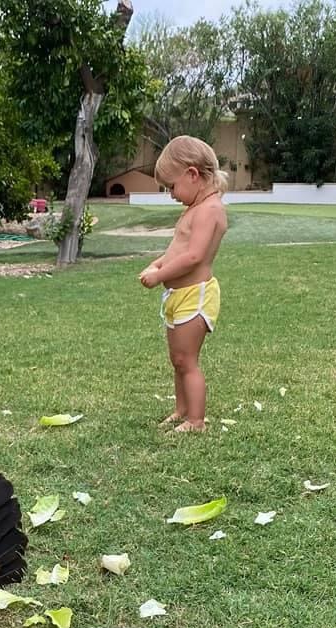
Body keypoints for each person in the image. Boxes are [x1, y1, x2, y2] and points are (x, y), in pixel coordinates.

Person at [139, 136, 229, 433]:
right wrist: (158, 264)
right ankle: (182, 409)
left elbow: (193, 256)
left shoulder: (210, 210)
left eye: (171, 186)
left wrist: (160, 276)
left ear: (192, 174)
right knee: (177, 359)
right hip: (177, 295)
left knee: (187, 360)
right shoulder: (193, 208)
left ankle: (196, 420)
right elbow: (177, 249)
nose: (171, 195)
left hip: (195, 296)